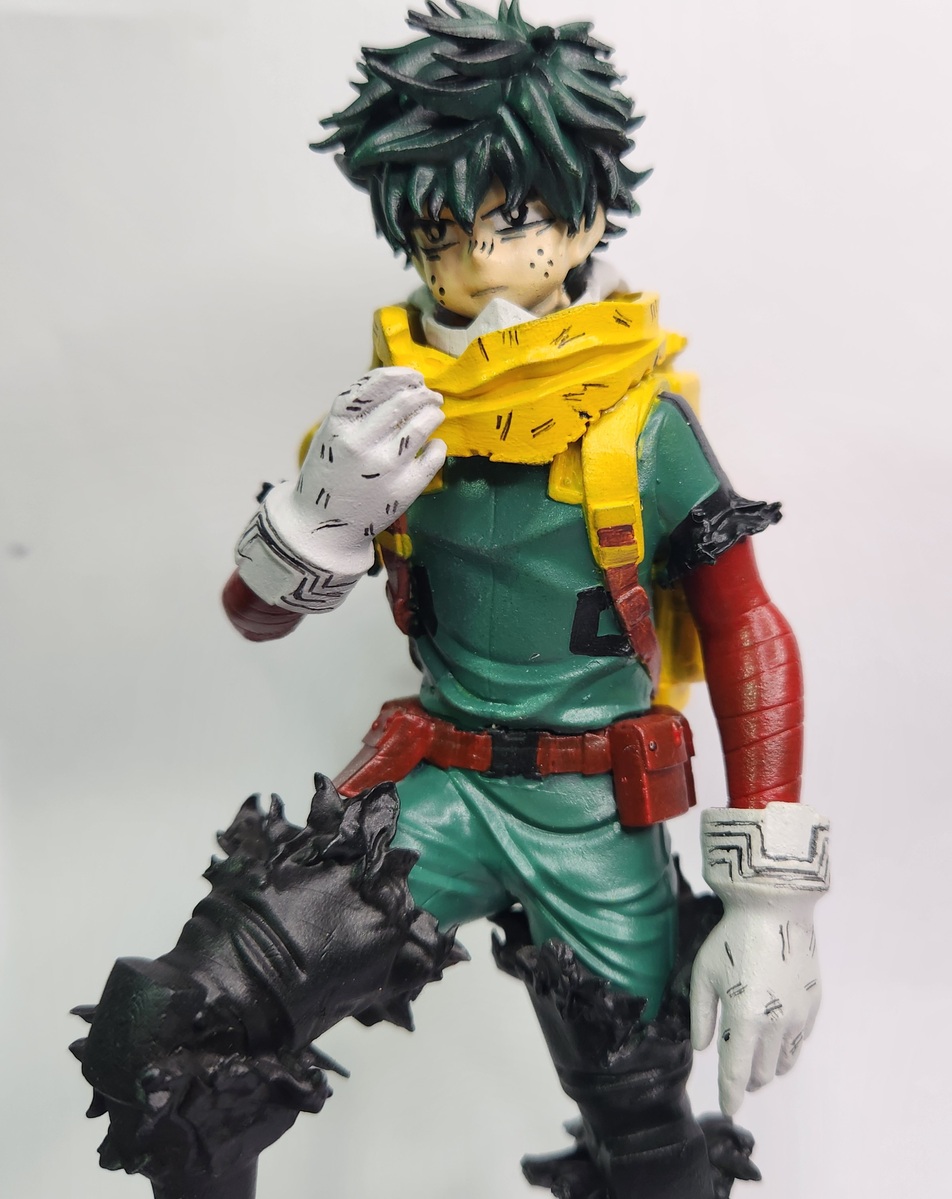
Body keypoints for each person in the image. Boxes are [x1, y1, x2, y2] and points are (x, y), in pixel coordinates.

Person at [74, 6, 829, 1198]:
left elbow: (746, 625)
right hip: (436, 797)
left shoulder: (642, 425)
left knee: (648, 1139)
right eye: (440, 232)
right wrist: (317, 518)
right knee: (171, 1036)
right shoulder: (384, 415)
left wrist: (769, 892)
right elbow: (252, 614)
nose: (476, 263)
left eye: (512, 221)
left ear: (584, 214)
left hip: (595, 815)